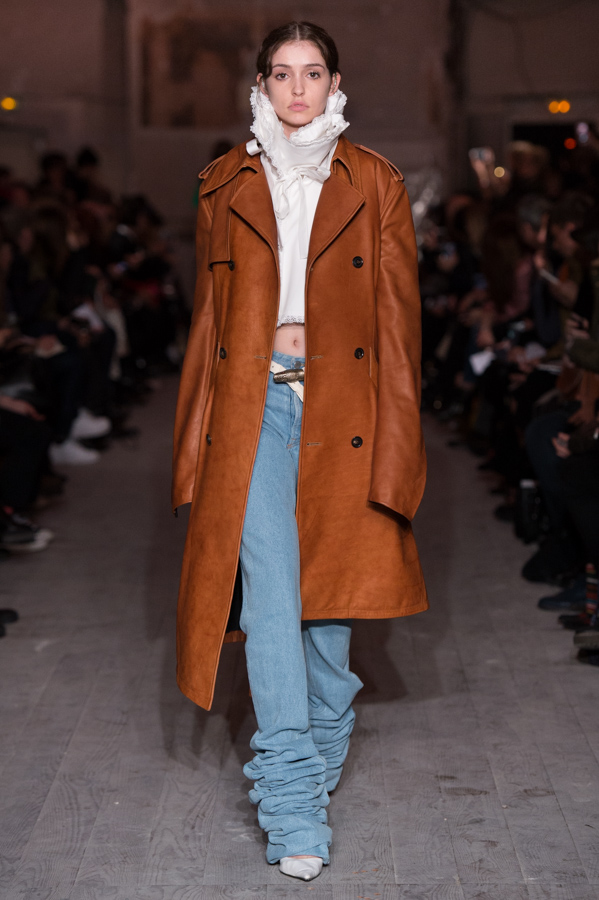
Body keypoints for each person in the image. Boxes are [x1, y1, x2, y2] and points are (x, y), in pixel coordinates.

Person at [172, 21, 427, 881]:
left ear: (334, 83)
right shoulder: (222, 183)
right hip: (252, 411)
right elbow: (206, 325)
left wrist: (399, 452)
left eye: (311, 73)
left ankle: (322, 735)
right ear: (259, 85)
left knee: (326, 618)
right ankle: (290, 802)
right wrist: (190, 448)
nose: (295, 89)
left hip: (342, 411)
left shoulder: (376, 182)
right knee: (273, 602)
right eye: (280, 74)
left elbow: (398, 334)